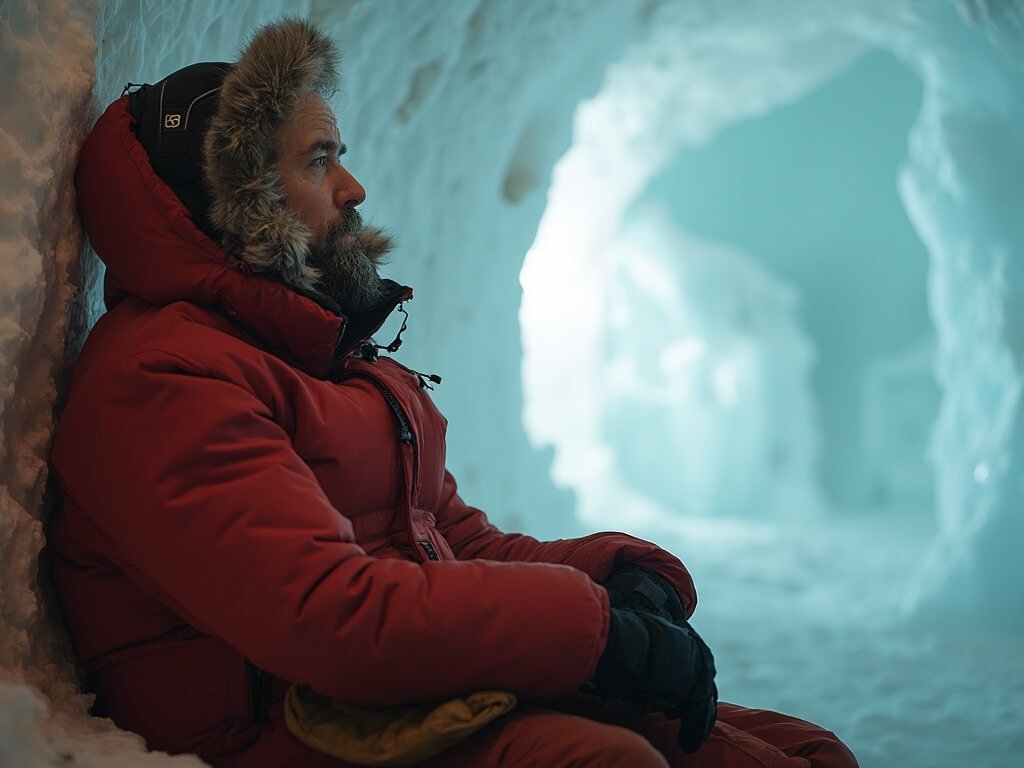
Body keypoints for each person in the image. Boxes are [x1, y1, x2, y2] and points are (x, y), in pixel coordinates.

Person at [49, 18, 859, 768]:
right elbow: (336, 620)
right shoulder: (164, 380)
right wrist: (597, 636)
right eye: (320, 160)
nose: (355, 187)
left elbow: (448, 538)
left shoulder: (315, 356)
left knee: (807, 753)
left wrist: (618, 575)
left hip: (395, 694)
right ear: (241, 200)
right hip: (284, 727)